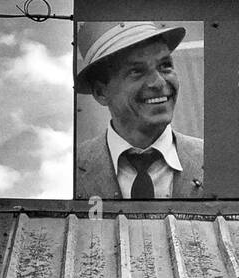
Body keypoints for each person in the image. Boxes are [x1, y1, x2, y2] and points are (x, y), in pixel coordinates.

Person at [74, 22, 205, 200]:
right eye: (137, 71)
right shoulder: (70, 170)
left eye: (165, 65)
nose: (159, 83)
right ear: (101, 92)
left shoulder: (215, 162)